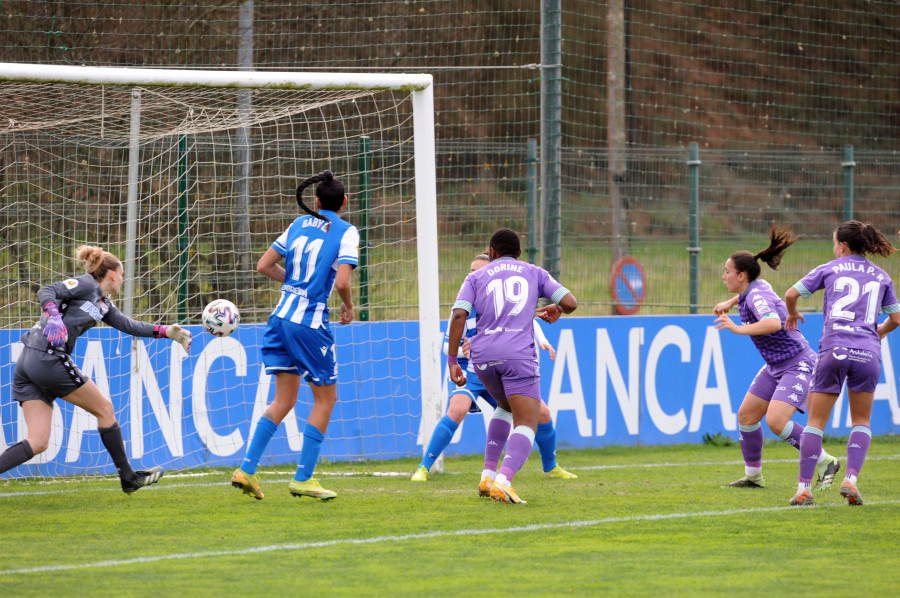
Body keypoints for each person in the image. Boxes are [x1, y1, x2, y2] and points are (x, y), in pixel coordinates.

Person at [2, 245, 191, 493]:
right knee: (105, 409)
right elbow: (48, 291)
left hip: (30, 361)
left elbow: (127, 324)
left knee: (37, 442)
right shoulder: (87, 284)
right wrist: (54, 315)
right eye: (122, 274)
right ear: (112, 274)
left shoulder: (102, 304)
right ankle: (128, 477)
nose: (123, 279)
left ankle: (128, 477)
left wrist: (166, 332)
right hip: (47, 357)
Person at [231, 170, 357, 502]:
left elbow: (264, 265)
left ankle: (246, 469)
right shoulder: (346, 231)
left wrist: (294, 285)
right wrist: (347, 306)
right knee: (325, 399)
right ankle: (303, 478)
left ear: (315, 202)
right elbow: (343, 282)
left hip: (279, 319)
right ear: (344, 202)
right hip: (308, 324)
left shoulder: (298, 224)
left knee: (283, 400)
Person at [411, 254, 576, 482]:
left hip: (495, 369)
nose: (472, 275)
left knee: (543, 413)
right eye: (471, 270)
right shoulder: (464, 307)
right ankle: (424, 467)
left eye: (477, 271)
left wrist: (542, 341)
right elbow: (448, 344)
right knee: (457, 410)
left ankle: (550, 466)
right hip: (471, 370)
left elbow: (529, 323)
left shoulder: (501, 306)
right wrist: (463, 352)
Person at [447, 228, 577, 504]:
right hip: (518, 355)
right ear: (519, 253)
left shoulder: (475, 276)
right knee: (528, 420)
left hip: (482, 357)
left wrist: (451, 360)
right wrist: (557, 308)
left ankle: (487, 474)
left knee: (504, 406)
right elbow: (570, 302)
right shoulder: (534, 272)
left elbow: (459, 314)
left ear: (491, 252)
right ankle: (504, 481)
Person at [713, 225, 840, 490]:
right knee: (747, 416)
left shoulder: (756, 295)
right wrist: (730, 303)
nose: (723, 275)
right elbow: (753, 297)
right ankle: (754, 477)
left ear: (741, 275)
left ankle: (826, 461)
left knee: (776, 421)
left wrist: (736, 328)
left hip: (797, 362)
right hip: (776, 366)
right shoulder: (755, 287)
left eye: (727, 271)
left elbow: (772, 323)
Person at [785, 220, 900, 506]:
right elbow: (896, 318)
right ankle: (850, 479)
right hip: (867, 353)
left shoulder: (829, 268)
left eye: (834, 242)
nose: (833, 247)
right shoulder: (882, 276)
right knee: (861, 420)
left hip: (834, 349)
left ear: (843, 246)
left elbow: (790, 294)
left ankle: (804, 489)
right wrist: (880, 331)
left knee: (815, 422)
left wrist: (791, 313)